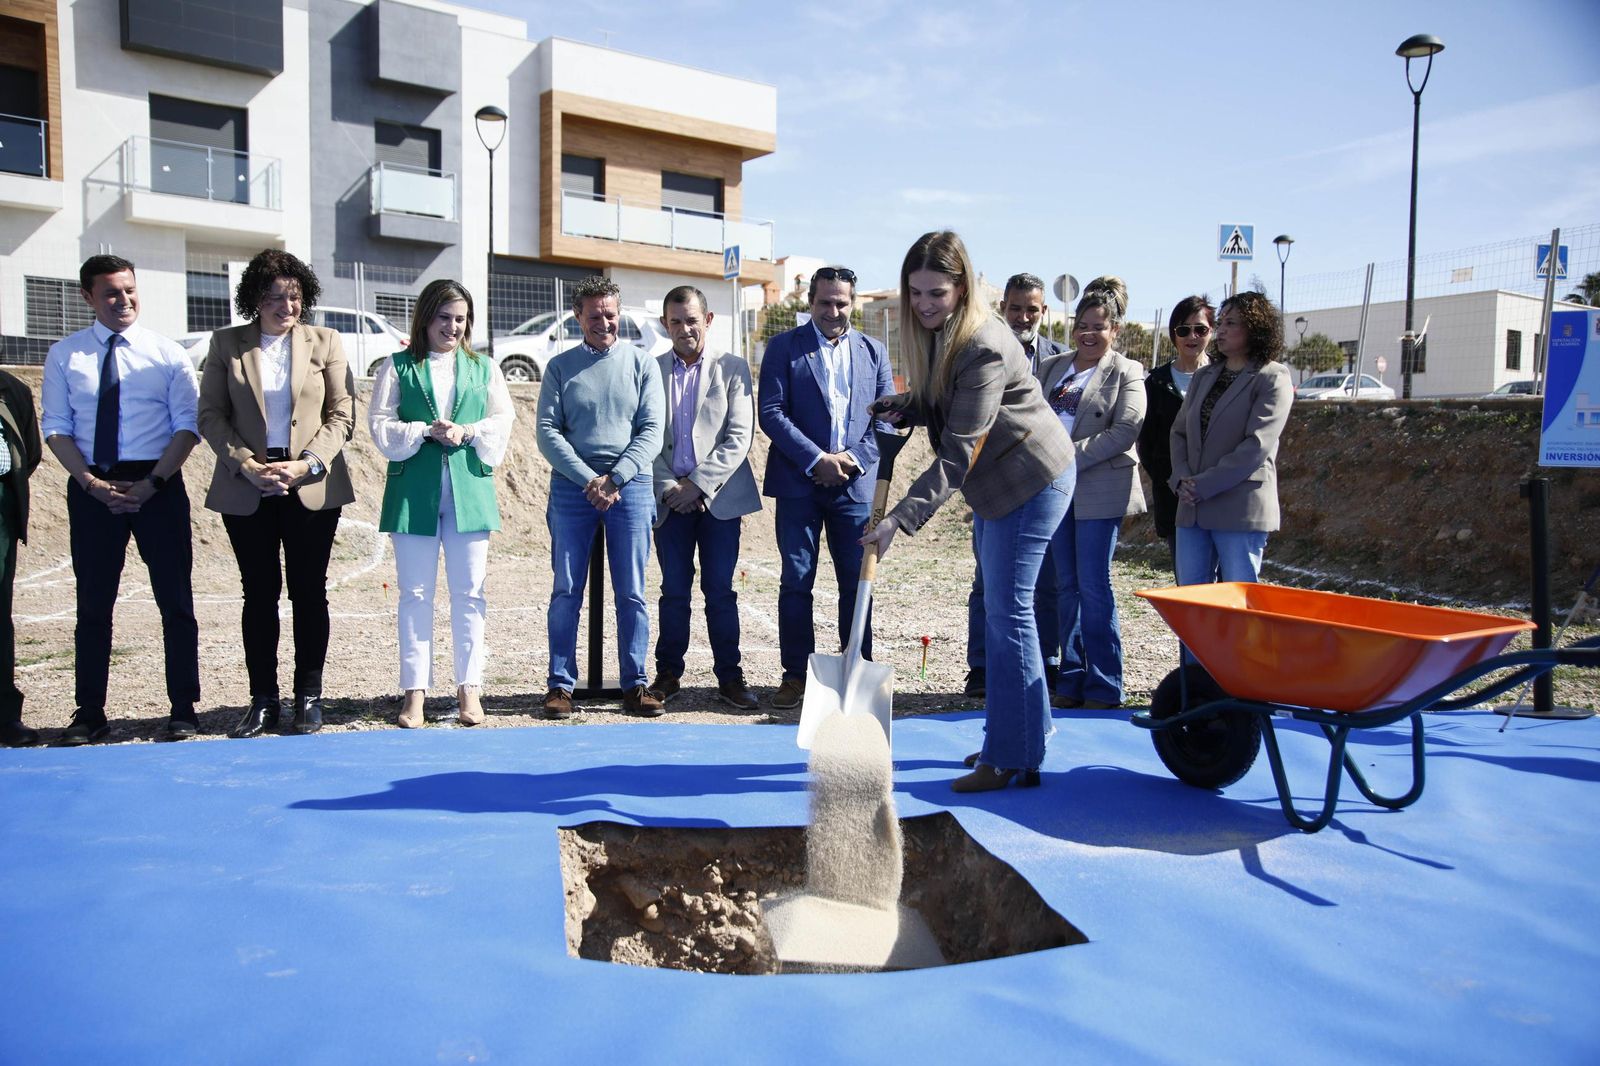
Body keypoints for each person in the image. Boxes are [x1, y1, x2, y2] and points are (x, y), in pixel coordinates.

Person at [862, 231, 1075, 793]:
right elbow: (943, 395)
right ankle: (1028, 731)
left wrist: (897, 520)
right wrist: (907, 403)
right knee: (1001, 609)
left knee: (1008, 613)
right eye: (916, 292)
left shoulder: (982, 343)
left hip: (1031, 480)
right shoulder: (941, 335)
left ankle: (1013, 758)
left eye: (937, 292)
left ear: (961, 288)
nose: (925, 303)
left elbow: (959, 450)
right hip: (998, 483)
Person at [41, 254, 201, 743]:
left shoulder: (167, 354)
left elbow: (187, 427)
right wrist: (90, 483)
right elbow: (56, 428)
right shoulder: (65, 356)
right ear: (88, 297)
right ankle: (89, 712)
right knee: (93, 605)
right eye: (111, 292)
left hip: (158, 486)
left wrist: (152, 482)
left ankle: (183, 709)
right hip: (94, 488)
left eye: (129, 289)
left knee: (175, 601)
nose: (123, 300)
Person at [198, 249, 356, 738]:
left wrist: (307, 464)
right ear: (254, 299)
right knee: (259, 594)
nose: (285, 306)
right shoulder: (226, 344)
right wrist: (247, 465)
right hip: (248, 486)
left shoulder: (326, 341)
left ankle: (309, 695)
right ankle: (263, 699)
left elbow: (342, 413)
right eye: (273, 298)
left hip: (310, 484)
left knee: (309, 592)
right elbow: (210, 415)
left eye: (294, 296)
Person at [370, 279, 515, 728]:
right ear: (426, 318)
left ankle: (469, 688)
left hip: (469, 489)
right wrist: (422, 431)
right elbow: (380, 424)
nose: (453, 327)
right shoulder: (396, 367)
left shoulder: (484, 367)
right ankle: (415, 693)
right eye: (444, 317)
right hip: (413, 491)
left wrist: (467, 431)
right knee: (414, 594)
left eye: (460, 319)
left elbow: (502, 418)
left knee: (470, 593)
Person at [757, 266, 894, 710]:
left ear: (852, 303)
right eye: (825, 302)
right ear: (809, 302)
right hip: (800, 485)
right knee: (797, 581)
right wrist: (818, 460)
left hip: (854, 489)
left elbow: (888, 418)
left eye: (842, 302)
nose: (833, 311)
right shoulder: (784, 348)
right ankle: (796, 675)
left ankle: (857, 667)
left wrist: (852, 461)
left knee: (857, 584)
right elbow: (772, 412)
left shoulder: (874, 352)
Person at [537, 276, 664, 719]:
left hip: (630, 490)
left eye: (611, 314)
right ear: (578, 317)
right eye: (595, 316)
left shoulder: (642, 364)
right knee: (566, 589)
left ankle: (636, 683)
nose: (604, 322)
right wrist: (591, 478)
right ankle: (560, 685)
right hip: (573, 491)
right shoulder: (559, 367)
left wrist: (617, 478)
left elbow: (651, 431)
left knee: (632, 591)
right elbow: (548, 433)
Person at [647, 286, 761, 710]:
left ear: (707, 321)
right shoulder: (651, 369)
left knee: (720, 591)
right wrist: (670, 487)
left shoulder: (732, 368)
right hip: (670, 501)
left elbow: (739, 436)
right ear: (665, 324)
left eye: (691, 320)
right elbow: (643, 437)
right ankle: (667, 675)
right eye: (675, 321)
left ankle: (730, 678)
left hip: (719, 499)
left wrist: (699, 484)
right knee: (673, 590)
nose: (684, 328)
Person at [1036, 276, 1146, 711]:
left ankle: (1104, 682)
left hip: (1099, 490)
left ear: (1114, 330)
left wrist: (1065, 455)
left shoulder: (1127, 371)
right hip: (1053, 490)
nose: (1088, 333)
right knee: (1066, 586)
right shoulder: (1050, 367)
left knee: (1094, 586)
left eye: (1099, 326)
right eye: (1082, 324)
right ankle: (1072, 674)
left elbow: (1126, 429)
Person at [963, 272, 1067, 699]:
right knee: (990, 585)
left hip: (1041, 480)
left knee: (1038, 588)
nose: (1024, 316)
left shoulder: (1060, 360)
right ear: (1002, 307)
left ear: (1044, 311)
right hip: (993, 483)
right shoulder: (985, 349)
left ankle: (1041, 668)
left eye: (1033, 309)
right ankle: (984, 667)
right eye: (1016, 308)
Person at [1170, 290, 1294, 584]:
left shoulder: (1273, 377)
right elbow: (1179, 432)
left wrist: (1203, 484)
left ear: (1255, 329)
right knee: (1191, 603)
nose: (1220, 331)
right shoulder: (1204, 376)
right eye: (1221, 323)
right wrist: (1183, 479)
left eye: (1231, 324)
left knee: (1237, 605)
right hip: (1192, 506)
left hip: (1239, 508)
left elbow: (1257, 445)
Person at [1138, 295, 1213, 576]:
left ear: (1211, 332)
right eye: (1183, 330)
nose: (1191, 337)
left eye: (1200, 329)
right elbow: (1147, 444)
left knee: (1221, 583)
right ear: (1173, 335)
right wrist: (1172, 480)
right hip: (1174, 496)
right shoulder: (1156, 383)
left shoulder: (1225, 378)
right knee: (1188, 580)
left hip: (1220, 494)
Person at [0, 367, 41, 747]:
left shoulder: (12, 389)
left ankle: (4, 716)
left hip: (2, 508)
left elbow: (29, 453)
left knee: (0, 615)